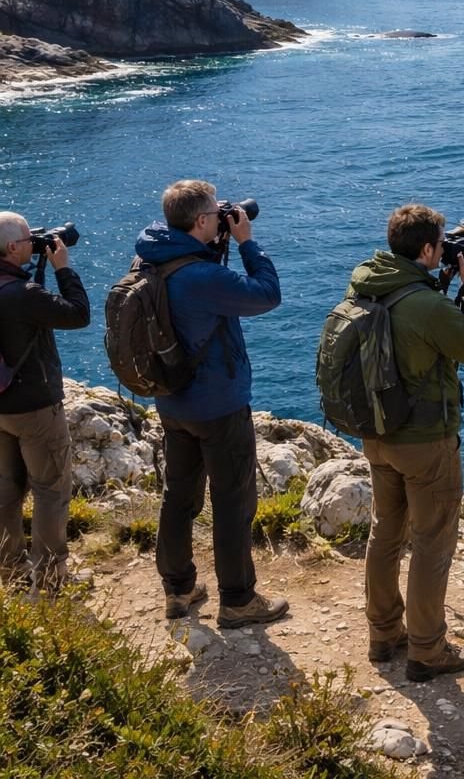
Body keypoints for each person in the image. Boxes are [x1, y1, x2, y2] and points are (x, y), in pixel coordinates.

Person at [348, 204, 464, 682]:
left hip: (377, 433)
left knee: (385, 532)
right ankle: (428, 650)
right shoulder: (426, 304)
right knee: (432, 542)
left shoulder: (371, 282)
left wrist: (442, 282)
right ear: (429, 249)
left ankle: (383, 633)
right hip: (425, 442)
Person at [137, 180, 285, 627]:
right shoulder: (202, 276)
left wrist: (213, 246)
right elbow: (265, 295)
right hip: (217, 405)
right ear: (202, 221)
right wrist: (246, 242)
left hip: (172, 401)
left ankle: (178, 590)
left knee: (178, 498)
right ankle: (238, 599)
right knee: (232, 501)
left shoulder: (150, 258)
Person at [0, 212, 90, 594]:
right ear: (14, 248)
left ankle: (10, 572)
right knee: (50, 491)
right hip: (35, 409)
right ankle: (52, 579)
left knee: (5, 492)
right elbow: (77, 314)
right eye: (28, 239)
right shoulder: (24, 294)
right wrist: (62, 267)